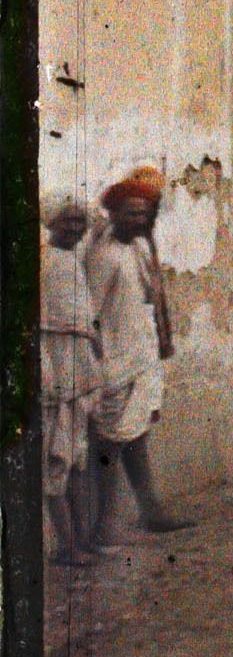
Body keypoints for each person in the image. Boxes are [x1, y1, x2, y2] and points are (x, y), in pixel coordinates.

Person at [86, 166, 194, 545]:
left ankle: (151, 512)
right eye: (131, 212)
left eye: (144, 213)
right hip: (114, 363)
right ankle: (103, 525)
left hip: (139, 357)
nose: (139, 219)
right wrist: (99, 365)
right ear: (115, 214)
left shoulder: (139, 248)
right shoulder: (105, 255)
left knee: (137, 438)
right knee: (110, 445)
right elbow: (91, 317)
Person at [40, 195, 101, 564]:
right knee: (56, 460)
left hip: (78, 370)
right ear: (51, 223)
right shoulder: (44, 263)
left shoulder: (73, 262)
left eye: (80, 221)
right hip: (55, 370)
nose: (75, 229)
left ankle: (79, 541)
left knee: (77, 458)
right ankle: (68, 545)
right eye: (68, 221)